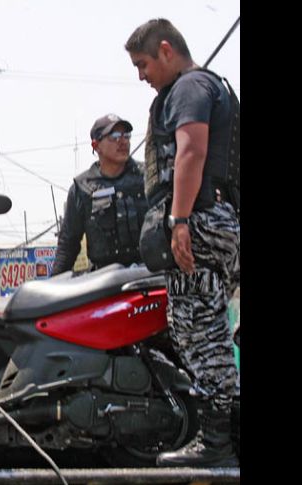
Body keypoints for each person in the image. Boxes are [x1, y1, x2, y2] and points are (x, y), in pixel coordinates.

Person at [125, 18, 240, 467]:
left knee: (200, 332)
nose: (141, 75)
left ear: (166, 50)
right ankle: (225, 437)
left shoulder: (190, 87)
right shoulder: (216, 87)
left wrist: (179, 220)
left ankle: (215, 444)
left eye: (143, 64)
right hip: (217, 218)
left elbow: (191, 151)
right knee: (204, 327)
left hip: (200, 220)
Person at [52, 113, 148, 275]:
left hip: (149, 275)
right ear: (96, 145)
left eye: (126, 135)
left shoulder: (147, 176)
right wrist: (53, 287)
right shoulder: (82, 188)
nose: (123, 141)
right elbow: (68, 245)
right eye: (115, 136)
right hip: (104, 281)